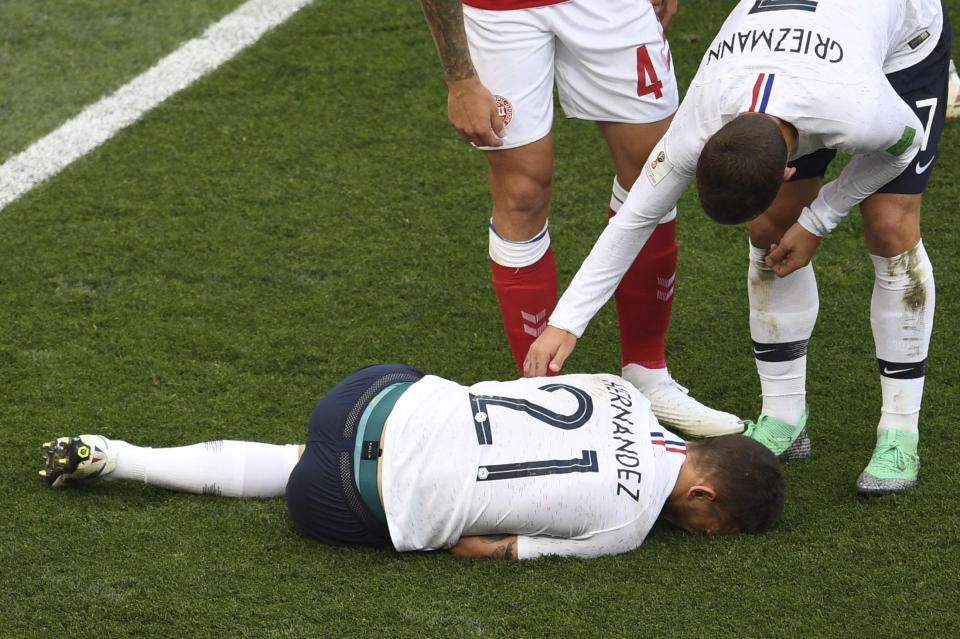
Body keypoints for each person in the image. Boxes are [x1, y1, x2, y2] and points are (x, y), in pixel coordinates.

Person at [524, 0, 949, 496]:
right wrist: (565, 322)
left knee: (889, 225)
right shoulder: (696, 122)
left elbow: (904, 144)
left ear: (788, 168)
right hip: (801, 55)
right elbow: (636, 216)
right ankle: (784, 416)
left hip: (902, 39)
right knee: (771, 224)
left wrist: (819, 219)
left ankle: (899, 430)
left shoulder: (859, 111)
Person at [39, 364, 784, 559]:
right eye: (720, 527)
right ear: (707, 493)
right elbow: (486, 548)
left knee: (322, 445)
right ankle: (123, 458)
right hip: (341, 503)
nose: (708, 537)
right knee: (325, 476)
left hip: (370, 393)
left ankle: (119, 453)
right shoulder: (627, 528)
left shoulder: (620, 390)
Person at [418, 0, 742, 436]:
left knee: (653, 170)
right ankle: (542, 399)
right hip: (501, 11)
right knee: (521, 192)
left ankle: (648, 374)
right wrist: (460, 79)